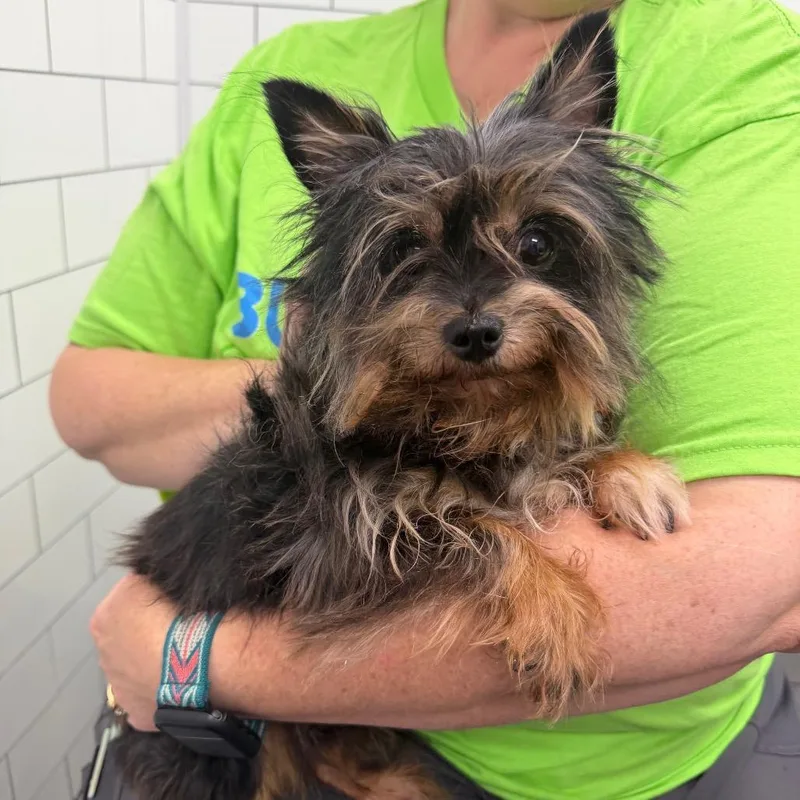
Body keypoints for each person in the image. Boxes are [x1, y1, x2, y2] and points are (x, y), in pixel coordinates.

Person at [51, 0, 800, 797]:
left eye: (534, 245)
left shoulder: (739, 50)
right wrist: (505, 561)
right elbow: (89, 404)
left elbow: (760, 578)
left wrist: (189, 659)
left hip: (621, 770)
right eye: (408, 251)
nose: (476, 312)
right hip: (228, 737)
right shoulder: (293, 68)